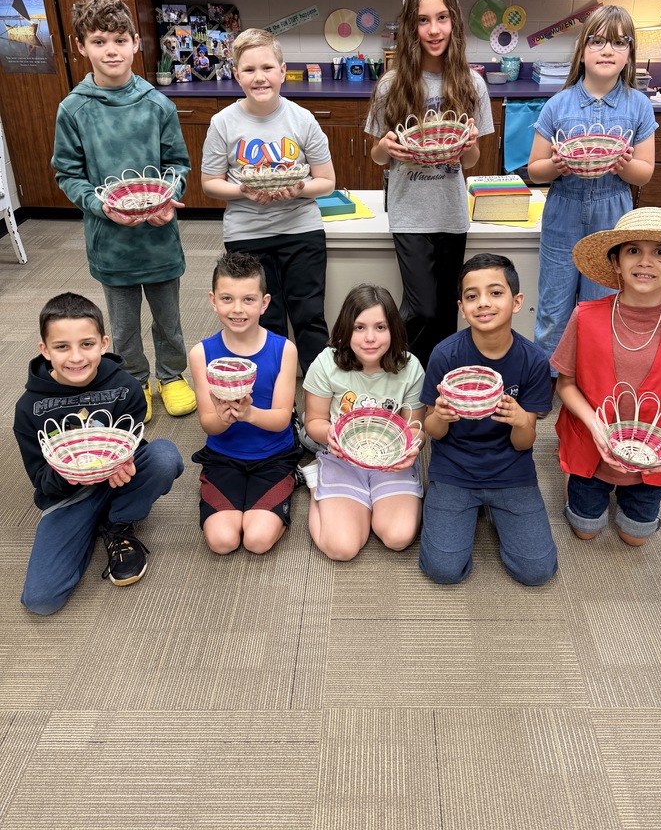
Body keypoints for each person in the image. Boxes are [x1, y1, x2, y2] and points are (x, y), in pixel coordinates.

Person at [52, 0, 196, 423]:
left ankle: (172, 376)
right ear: (81, 47)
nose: (110, 50)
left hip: (158, 236)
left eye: (119, 40)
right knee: (124, 323)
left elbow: (178, 164)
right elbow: (68, 174)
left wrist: (168, 197)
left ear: (137, 42)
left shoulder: (157, 104)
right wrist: (99, 205)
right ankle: (133, 379)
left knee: (169, 318)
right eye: (98, 41)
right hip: (110, 240)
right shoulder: (73, 110)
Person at [552, 208, 661, 546]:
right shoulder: (585, 317)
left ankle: (630, 491)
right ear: (616, 261)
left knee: (635, 537)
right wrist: (595, 426)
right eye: (633, 251)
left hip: (654, 455)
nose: (645, 262)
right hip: (592, 441)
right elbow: (566, 384)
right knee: (585, 530)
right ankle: (573, 474)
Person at [13, 293, 184, 615]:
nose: (76, 357)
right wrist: (70, 475)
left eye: (87, 344)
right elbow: (40, 480)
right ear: (44, 350)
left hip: (118, 481)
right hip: (68, 495)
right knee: (41, 600)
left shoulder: (126, 388)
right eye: (62, 347)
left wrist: (127, 462)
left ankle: (117, 524)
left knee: (164, 456)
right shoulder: (29, 407)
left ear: (104, 343)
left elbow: (131, 443)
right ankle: (89, 522)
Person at [365, 0, 494, 369]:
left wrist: (469, 147)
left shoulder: (472, 84)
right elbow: (376, 155)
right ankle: (391, 366)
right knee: (421, 308)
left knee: (446, 313)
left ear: (454, 20)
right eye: (423, 20)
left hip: (452, 213)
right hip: (409, 213)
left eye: (441, 18)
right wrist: (384, 147)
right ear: (410, 25)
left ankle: (433, 387)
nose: (433, 30)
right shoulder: (392, 84)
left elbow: (469, 163)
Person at [527, 4, 657, 383]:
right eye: (597, 41)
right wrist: (556, 165)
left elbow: (645, 174)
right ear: (582, 50)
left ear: (629, 54)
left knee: (600, 304)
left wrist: (622, 164)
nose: (607, 51)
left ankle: (590, 378)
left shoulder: (638, 105)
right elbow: (534, 170)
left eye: (619, 43)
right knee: (554, 305)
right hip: (562, 212)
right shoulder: (558, 104)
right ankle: (547, 379)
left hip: (612, 211)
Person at [200, 28, 335, 377]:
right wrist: (243, 190)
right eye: (248, 70)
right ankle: (275, 394)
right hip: (247, 234)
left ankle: (319, 391)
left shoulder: (301, 118)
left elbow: (327, 181)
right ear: (236, 74)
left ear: (282, 70)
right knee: (264, 319)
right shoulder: (223, 123)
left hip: (300, 229)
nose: (259, 77)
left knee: (308, 314)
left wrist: (300, 188)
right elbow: (210, 183)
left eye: (267, 68)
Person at [419, 253, 558, 586]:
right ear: (461, 307)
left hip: (510, 470)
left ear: (516, 301)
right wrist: (440, 416)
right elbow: (432, 432)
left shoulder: (534, 361)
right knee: (442, 569)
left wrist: (523, 421)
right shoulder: (445, 354)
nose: (483, 303)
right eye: (472, 296)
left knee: (537, 571)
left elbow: (524, 442)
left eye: (496, 292)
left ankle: (495, 510)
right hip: (454, 468)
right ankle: (471, 509)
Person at [188, 252, 302, 555]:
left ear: (264, 303)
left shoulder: (284, 349)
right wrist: (225, 418)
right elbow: (208, 424)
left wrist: (248, 413)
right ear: (213, 300)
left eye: (248, 300)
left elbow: (280, 420)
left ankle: (288, 481)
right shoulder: (201, 354)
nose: (237, 309)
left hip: (273, 456)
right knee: (223, 542)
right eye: (227, 299)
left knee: (257, 540)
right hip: (223, 456)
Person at [302, 285, 425, 562]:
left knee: (398, 537)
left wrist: (413, 448)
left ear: (394, 329)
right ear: (346, 329)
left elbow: (416, 429)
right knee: (341, 548)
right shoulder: (326, 363)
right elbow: (314, 422)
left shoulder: (411, 367)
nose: (370, 338)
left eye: (380, 327)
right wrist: (330, 433)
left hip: (390, 462)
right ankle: (316, 484)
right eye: (359, 327)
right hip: (341, 458)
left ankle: (366, 505)